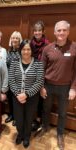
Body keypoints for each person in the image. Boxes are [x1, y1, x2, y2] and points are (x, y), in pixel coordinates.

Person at [40, 20, 76, 150]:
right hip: (48, 85)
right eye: (59, 30)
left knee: (62, 112)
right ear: (55, 32)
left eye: (64, 30)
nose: (61, 33)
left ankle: (60, 134)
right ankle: (44, 127)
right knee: (46, 108)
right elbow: (41, 70)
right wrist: (42, 87)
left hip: (65, 88)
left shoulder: (74, 47)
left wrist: (73, 88)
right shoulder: (47, 49)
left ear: (68, 31)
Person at [9, 40, 44, 148]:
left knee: (29, 118)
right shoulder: (14, 62)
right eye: (24, 49)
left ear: (32, 50)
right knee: (19, 119)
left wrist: (26, 94)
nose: (26, 51)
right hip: (17, 97)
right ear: (21, 50)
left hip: (32, 98)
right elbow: (11, 80)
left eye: (28, 49)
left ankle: (27, 136)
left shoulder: (38, 64)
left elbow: (39, 82)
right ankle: (20, 134)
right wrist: (18, 94)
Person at [30, 21, 49, 131]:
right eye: (35, 31)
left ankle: (41, 121)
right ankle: (33, 121)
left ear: (43, 31)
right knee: (33, 100)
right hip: (31, 75)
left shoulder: (48, 44)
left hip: (42, 75)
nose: (37, 32)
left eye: (39, 31)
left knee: (42, 101)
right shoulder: (30, 43)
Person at [6, 31, 22, 125]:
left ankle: (17, 117)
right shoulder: (9, 51)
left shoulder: (21, 51)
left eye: (17, 38)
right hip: (9, 80)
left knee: (17, 100)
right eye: (13, 37)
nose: (14, 40)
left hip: (18, 81)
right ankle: (11, 115)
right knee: (10, 99)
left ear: (20, 40)